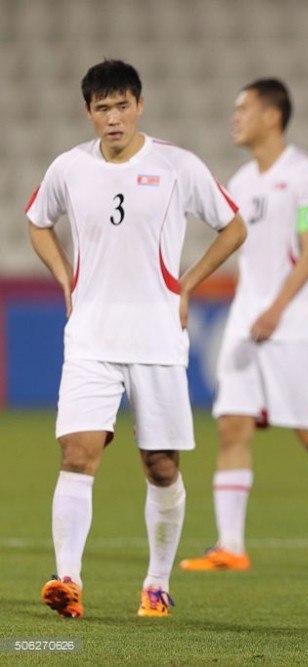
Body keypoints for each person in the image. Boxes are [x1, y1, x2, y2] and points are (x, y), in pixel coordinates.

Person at [27, 59, 247, 618]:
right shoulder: (69, 167)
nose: (114, 117)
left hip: (155, 337)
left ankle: (156, 581)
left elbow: (234, 224)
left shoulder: (176, 164)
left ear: (139, 105)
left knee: (160, 465)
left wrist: (188, 284)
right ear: (89, 113)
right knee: (77, 454)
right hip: (92, 337)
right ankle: (68, 579)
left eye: (122, 105)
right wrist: (64, 280)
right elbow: (37, 220)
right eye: (102, 108)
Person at [179, 79, 308, 573]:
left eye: (242, 108)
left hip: (293, 326)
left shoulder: (306, 174)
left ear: (271, 116)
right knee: (232, 425)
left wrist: (276, 308)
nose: (235, 117)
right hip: (245, 323)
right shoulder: (242, 182)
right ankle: (231, 545)